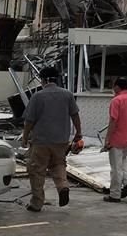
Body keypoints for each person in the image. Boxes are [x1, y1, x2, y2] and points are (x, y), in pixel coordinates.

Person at [21, 65, 82, 213]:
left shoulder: (38, 96)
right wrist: (78, 133)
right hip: (61, 140)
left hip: (41, 140)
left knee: (37, 170)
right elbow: (75, 115)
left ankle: (36, 203)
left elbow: (29, 120)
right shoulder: (67, 95)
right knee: (58, 165)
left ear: (43, 80)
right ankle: (63, 187)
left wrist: (25, 137)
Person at [104, 76, 127, 202]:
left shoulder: (116, 100)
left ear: (117, 87)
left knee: (116, 167)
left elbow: (113, 121)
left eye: (113, 86)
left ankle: (115, 194)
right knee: (123, 160)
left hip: (117, 138)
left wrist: (107, 138)